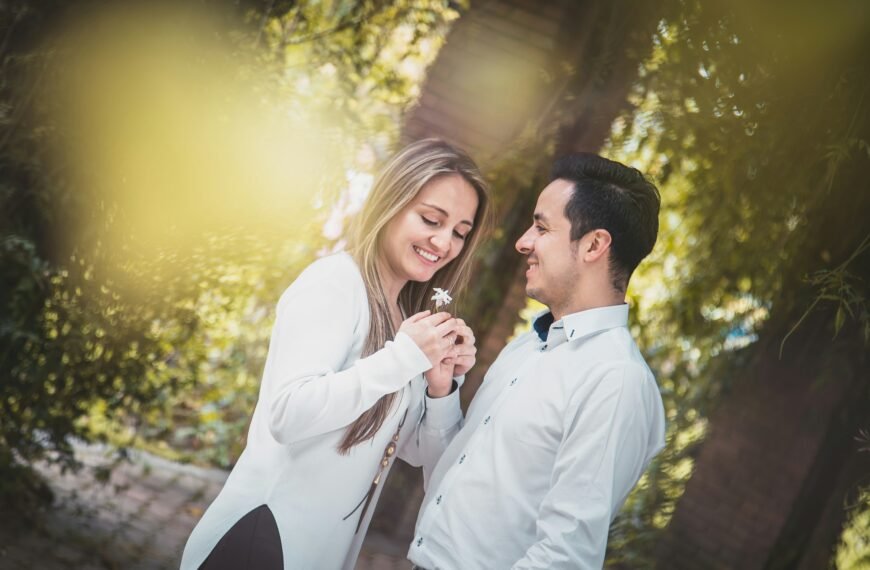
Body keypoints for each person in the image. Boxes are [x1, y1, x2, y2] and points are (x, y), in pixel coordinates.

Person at [180, 138, 491, 570]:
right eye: (431, 219)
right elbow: (289, 414)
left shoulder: (403, 316)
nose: (444, 242)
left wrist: (440, 387)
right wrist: (402, 358)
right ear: (391, 203)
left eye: (459, 232)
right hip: (262, 542)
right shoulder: (333, 284)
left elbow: (422, 457)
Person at [408, 153, 666, 569]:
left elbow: (566, 556)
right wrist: (441, 393)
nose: (522, 241)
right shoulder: (530, 347)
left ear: (595, 245)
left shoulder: (616, 381)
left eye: (542, 227)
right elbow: (452, 479)